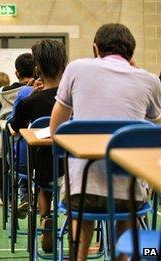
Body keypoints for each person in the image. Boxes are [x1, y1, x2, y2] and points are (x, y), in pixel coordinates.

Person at [50, 23, 161, 260]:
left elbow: (56, 127)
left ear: (95, 49)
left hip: (81, 191)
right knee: (130, 194)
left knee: (82, 190)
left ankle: (78, 255)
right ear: (132, 56)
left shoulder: (76, 68)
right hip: (129, 195)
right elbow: (156, 125)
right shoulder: (150, 81)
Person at [9, 40, 67, 253]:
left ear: (37, 69)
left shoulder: (30, 101)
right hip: (76, 168)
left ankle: (46, 216)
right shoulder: (74, 98)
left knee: (44, 167)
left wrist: (32, 95)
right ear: (64, 66)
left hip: (47, 168)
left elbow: (15, 128)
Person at [0, 53, 36, 209]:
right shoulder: (41, 90)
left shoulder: (3, 94)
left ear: (17, 73)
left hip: (11, 143)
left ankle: (7, 198)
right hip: (41, 146)